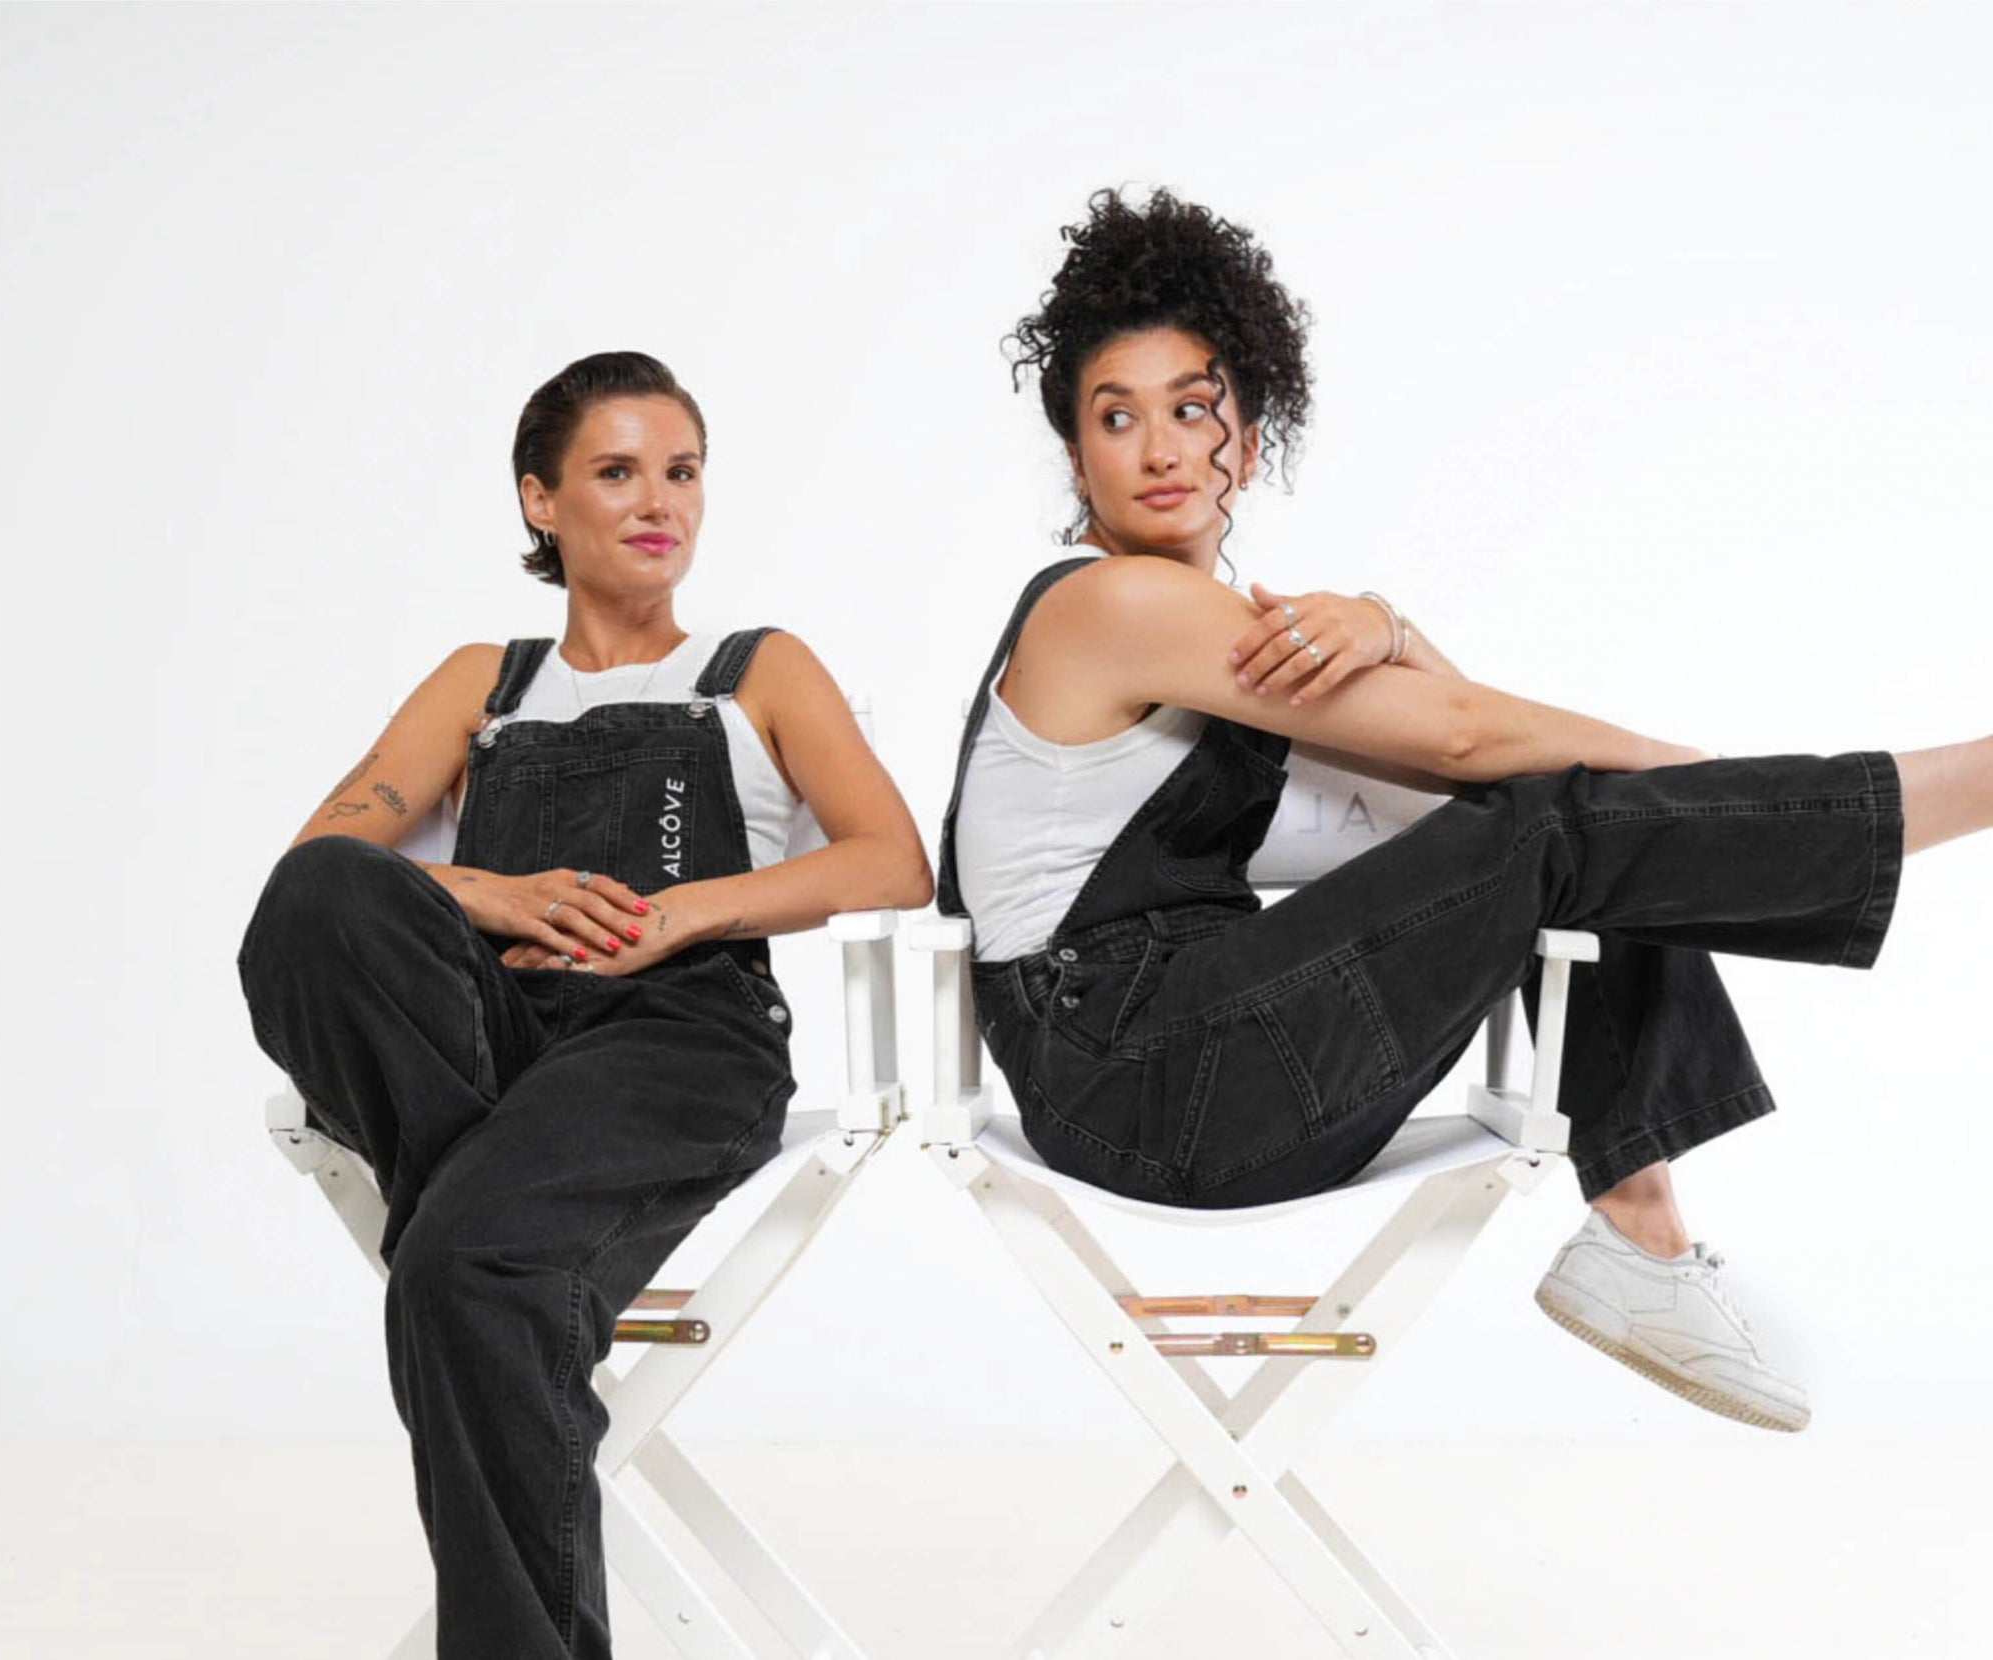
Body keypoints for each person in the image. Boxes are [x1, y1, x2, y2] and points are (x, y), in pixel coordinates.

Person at [938, 189, 1991, 1436]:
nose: (1160, 449)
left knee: (1574, 835)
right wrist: (1687, 773)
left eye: (1192, 410)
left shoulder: (1237, 662)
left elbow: (1471, 781)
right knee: (1578, 824)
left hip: (1201, 1074)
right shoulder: (1109, 605)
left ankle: (1641, 1240)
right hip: (1140, 1077)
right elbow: (1460, 737)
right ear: (1077, 462)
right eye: (1116, 419)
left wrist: (1389, 627)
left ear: (1249, 442)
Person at [239, 351, 931, 1660]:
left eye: (682, 470)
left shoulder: (757, 668)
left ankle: (481, 1242)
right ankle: (497, 1237)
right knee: (323, 898)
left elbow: (891, 860)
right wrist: (490, 894)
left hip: (678, 1041)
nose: (659, 501)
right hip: (499, 1046)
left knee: (456, 1270)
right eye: (616, 472)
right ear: (539, 501)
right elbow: (320, 870)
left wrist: (686, 910)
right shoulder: (481, 681)